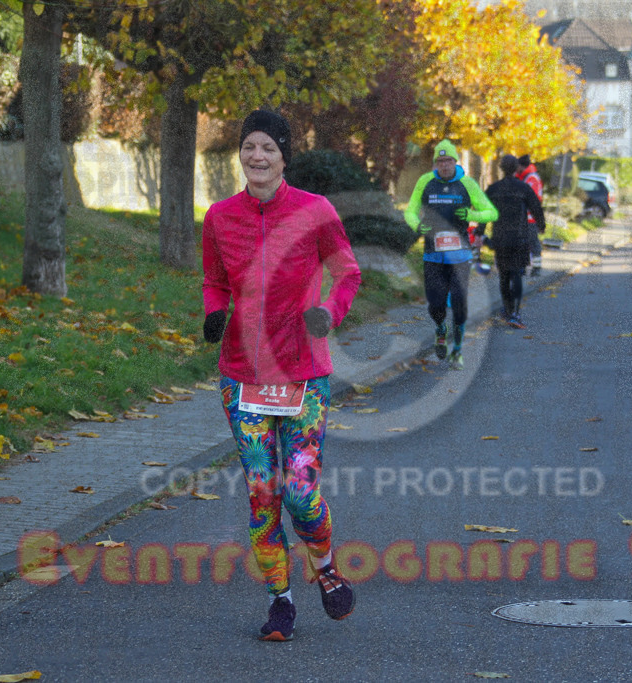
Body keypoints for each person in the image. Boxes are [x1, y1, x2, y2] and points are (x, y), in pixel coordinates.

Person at [201, 109, 362, 641]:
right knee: (262, 492)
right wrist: (213, 311)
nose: (257, 156)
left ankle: (326, 567)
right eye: (249, 146)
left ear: (284, 155)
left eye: (268, 147)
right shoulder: (221, 217)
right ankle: (280, 602)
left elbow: (347, 272)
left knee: (299, 492)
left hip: (301, 375)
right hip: (242, 377)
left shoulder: (315, 212)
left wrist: (329, 314)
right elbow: (214, 280)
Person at [405, 140, 498, 369]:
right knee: (435, 305)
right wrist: (418, 226)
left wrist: (470, 213)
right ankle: (440, 329)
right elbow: (410, 211)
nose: (444, 165)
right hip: (433, 256)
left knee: (459, 304)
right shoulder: (425, 182)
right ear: (435, 163)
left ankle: (457, 350)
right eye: (440, 161)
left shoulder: (467, 184)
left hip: (460, 257)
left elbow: (492, 212)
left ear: (455, 161)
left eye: (448, 160)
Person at [481, 154, 546, 328]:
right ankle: (515, 314)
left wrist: (480, 233)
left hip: (501, 238)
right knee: (517, 274)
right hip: (520, 238)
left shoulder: (493, 189)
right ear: (516, 167)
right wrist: (541, 225)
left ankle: (507, 309)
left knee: (504, 275)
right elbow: (536, 208)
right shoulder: (523, 188)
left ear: (501, 168)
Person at [515, 154, 545, 276]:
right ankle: (523, 267)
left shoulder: (531, 178)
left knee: (533, 242)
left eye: (517, 166)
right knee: (524, 243)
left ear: (522, 166)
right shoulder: (525, 177)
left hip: (530, 218)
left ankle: (536, 268)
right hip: (524, 217)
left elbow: (533, 199)